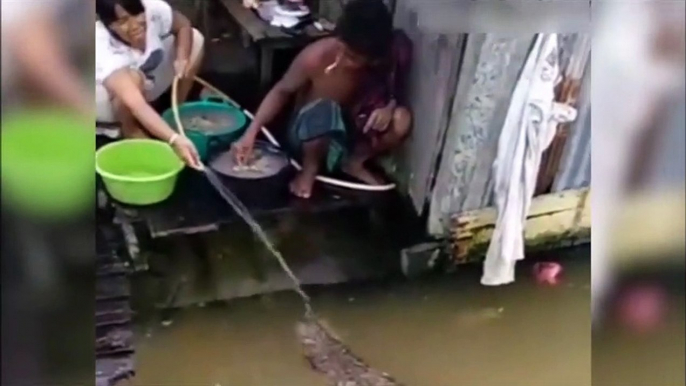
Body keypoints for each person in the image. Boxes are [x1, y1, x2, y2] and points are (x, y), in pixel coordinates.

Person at [232, 0, 412, 198]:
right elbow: (281, 90)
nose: (342, 58)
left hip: (346, 133)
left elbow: (394, 84)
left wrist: (389, 106)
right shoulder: (316, 57)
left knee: (401, 119)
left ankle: (354, 162)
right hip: (306, 136)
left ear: (372, 58)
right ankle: (309, 170)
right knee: (324, 108)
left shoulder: (386, 58)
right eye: (342, 49)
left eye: (352, 57)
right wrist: (251, 132)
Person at [95, 0, 204, 168]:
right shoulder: (103, 44)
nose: (135, 25)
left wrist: (181, 58)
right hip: (101, 96)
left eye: (137, 14)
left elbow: (183, 25)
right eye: (123, 21)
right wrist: (174, 139)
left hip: (146, 75)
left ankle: (175, 111)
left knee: (195, 40)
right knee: (134, 79)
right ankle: (129, 129)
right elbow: (135, 102)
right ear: (109, 25)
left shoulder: (151, 8)